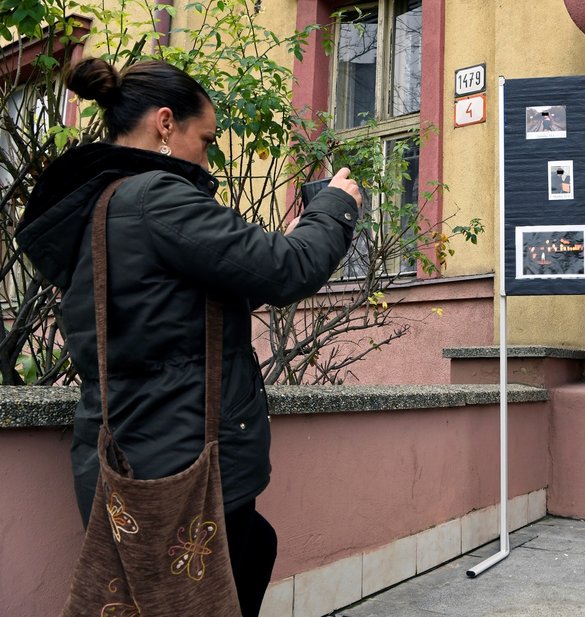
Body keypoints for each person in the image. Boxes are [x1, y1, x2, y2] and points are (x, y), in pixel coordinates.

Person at [15, 59, 362, 617]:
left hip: (128, 449)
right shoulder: (155, 199)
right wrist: (336, 207)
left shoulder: (98, 207)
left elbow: (168, 311)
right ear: (165, 123)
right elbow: (288, 272)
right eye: (206, 139)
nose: (209, 155)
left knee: (235, 561)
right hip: (181, 462)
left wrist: (282, 244)